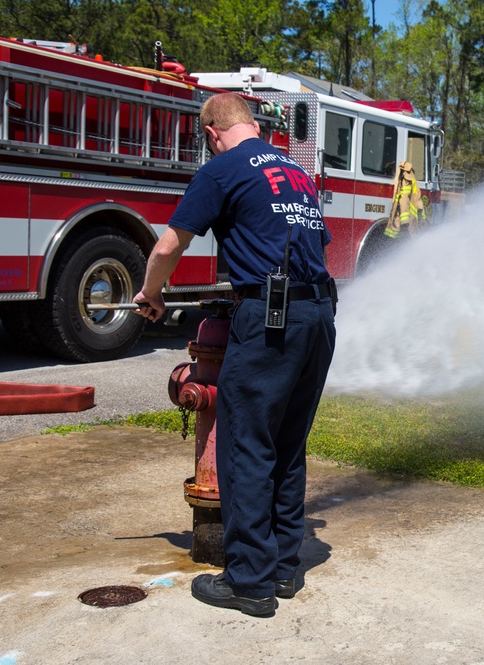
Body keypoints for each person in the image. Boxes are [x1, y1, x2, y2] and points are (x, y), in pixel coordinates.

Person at [133, 92, 336, 617]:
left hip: (271, 319)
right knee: (287, 444)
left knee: (246, 446)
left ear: (210, 132)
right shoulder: (293, 170)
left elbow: (167, 247)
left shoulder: (222, 169)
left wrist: (151, 294)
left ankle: (248, 581)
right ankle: (284, 569)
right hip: (318, 317)